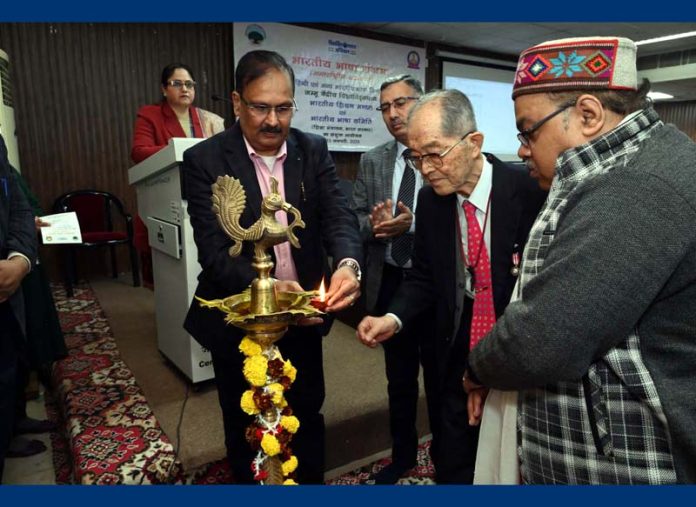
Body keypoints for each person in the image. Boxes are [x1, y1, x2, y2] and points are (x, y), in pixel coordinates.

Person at [465, 36, 696, 484]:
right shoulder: (651, 158)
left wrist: (477, 369)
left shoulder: (635, 187)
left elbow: (545, 340)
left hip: (633, 462)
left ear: (588, 115)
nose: (523, 149)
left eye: (529, 130)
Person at [182, 50, 362, 484]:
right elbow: (213, 251)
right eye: (261, 107)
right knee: (245, 424)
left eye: (284, 108)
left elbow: (338, 215)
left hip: (302, 319)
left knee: (306, 412)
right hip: (240, 321)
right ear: (237, 103)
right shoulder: (205, 160)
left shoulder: (312, 149)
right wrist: (271, 292)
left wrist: (348, 264)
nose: (273, 121)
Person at [356, 89, 545, 484]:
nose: (425, 168)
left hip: (518, 348)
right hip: (457, 347)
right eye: (416, 156)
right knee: (453, 456)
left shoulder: (530, 192)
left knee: (514, 460)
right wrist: (393, 317)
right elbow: (423, 276)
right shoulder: (432, 202)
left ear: (474, 143)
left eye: (435, 153)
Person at [352, 75, 438, 484]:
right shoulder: (373, 160)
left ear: (422, 102)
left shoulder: (441, 153)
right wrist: (376, 227)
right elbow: (354, 220)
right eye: (385, 107)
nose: (393, 113)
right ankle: (402, 455)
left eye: (401, 102)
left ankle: (448, 455)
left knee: (440, 378)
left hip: (436, 285)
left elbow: (458, 218)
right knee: (399, 380)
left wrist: (413, 224)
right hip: (389, 281)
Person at [130, 63, 225, 288]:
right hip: (165, 195)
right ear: (164, 89)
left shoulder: (208, 119)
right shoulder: (150, 115)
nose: (185, 89)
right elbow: (139, 151)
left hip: (205, 196)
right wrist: (176, 148)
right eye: (177, 83)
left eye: (189, 84)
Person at [4, 167, 65, 459]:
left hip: (13, 266)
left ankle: (15, 419)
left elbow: (17, 207)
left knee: (14, 351)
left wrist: (20, 258)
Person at [0, 133, 37, 482]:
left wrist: (19, 259)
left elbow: (18, 208)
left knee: (11, 364)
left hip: (8, 282)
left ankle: (12, 425)